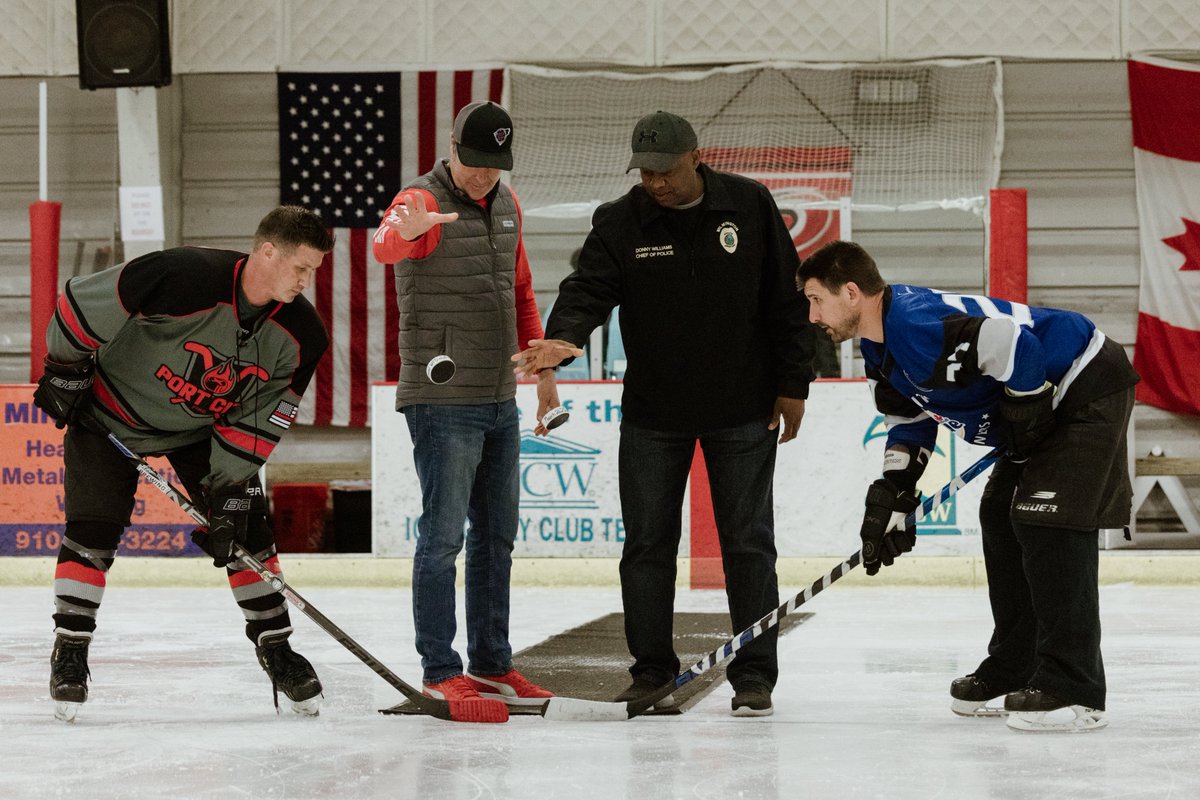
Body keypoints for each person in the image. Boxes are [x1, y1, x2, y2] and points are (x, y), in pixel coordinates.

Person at [513, 111, 818, 717]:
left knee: (748, 546)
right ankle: (652, 670)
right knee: (648, 546)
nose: (654, 181)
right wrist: (562, 338)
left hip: (744, 406)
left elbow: (786, 299)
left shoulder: (750, 205)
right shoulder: (622, 220)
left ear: (696, 157)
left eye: (666, 170)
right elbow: (587, 290)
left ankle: (754, 676)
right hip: (655, 412)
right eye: (645, 170)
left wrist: (794, 384)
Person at [796, 240, 1139, 733]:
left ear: (851, 292)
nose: (811, 316)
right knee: (999, 514)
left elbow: (1013, 343)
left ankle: (1074, 685)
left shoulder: (914, 323)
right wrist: (896, 490)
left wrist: (1025, 407)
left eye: (815, 300)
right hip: (1045, 404)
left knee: (1049, 523)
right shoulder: (877, 346)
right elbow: (909, 419)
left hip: (1083, 382)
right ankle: (1016, 664)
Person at [33, 205, 335, 721]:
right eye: (301, 268)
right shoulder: (182, 275)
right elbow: (81, 304)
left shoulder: (302, 335)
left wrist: (230, 489)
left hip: (200, 431)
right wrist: (66, 368)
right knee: (92, 531)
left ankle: (278, 649)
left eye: (313, 272)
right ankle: (71, 651)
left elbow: (258, 419)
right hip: (108, 414)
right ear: (267, 252)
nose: (307, 282)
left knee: (246, 532)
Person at [372, 100, 571, 721]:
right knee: (442, 539)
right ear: (452, 148)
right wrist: (400, 233)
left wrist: (542, 371)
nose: (485, 175)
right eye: (476, 161)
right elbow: (385, 246)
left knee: (497, 538)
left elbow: (520, 292)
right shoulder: (420, 201)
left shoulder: (506, 204)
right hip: (442, 401)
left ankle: (491, 661)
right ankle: (440, 670)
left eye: (497, 164)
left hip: (499, 397)